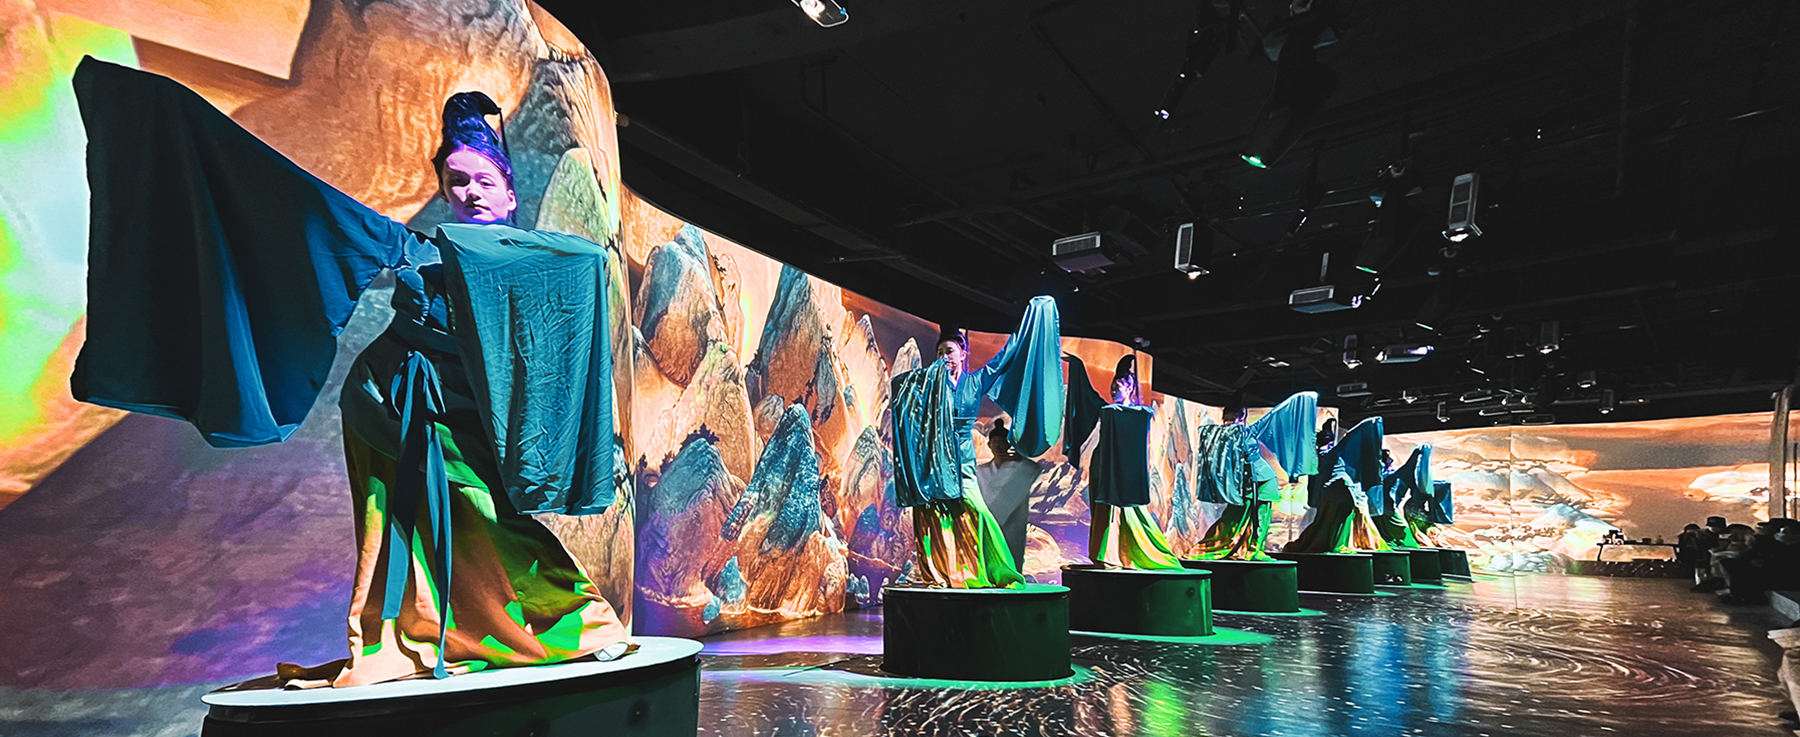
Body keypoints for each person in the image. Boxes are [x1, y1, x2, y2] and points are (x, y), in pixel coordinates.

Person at [71, 59, 630, 687]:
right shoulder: (421, 249)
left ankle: (527, 630)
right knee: (418, 522)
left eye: (483, 180)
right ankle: (548, 629)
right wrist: (173, 119)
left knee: (488, 514)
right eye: (456, 181)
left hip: (454, 412)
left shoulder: (535, 260)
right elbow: (308, 209)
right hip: (389, 403)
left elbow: (579, 280)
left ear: (509, 194)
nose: (470, 192)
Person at [890, 312, 1062, 588]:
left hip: (962, 459)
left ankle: (998, 570)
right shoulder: (931, 386)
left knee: (976, 510)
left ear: (963, 354)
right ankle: (944, 573)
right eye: (939, 352)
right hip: (936, 459)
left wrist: (1027, 324)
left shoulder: (974, 382)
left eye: (949, 351)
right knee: (934, 513)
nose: (944, 357)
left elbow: (1003, 359)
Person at [1064, 355, 1182, 570]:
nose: (1113, 391)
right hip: (1103, 465)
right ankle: (1103, 555)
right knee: (1103, 509)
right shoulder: (1106, 410)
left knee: (1129, 511)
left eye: (1117, 387)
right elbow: (1086, 395)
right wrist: (1078, 366)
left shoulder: (1139, 414)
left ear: (1129, 388)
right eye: (1112, 387)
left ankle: (1129, 554)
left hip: (1126, 468)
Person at [976, 418, 1045, 573]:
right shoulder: (980, 471)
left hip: (1013, 525)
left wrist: (1020, 457)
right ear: (989, 444)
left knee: (1011, 561)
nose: (999, 446)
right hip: (987, 524)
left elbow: (1035, 468)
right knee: (987, 562)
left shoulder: (1021, 468)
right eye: (995, 442)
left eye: (1002, 442)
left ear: (1009, 445)